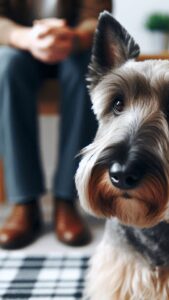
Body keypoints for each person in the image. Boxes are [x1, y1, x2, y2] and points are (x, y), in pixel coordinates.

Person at [0, 0, 112, 249]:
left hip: (73, 48)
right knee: (6, 67)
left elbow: (96, 19)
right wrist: (25, 37)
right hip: (16, 46)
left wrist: (72, 38)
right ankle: (24, 201)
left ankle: (66, 198)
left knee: (87, 69)